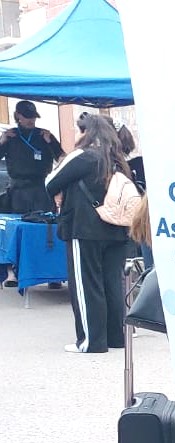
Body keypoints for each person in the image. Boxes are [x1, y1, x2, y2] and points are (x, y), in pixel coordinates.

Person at [45, 114, 134, 354]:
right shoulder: (118, 159)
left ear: (87, 132)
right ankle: (115, 337)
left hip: (85, 228)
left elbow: (50, 182)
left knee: (87, 285)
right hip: (117, 229)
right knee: (112, 283)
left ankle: (91, 341)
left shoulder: (83, 156)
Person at [0, 100, 63, 213]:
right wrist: (2, 142)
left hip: (39, 189)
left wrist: (51, 143)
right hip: (17, 190)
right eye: (27, 116)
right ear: (18, 115)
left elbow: (62, 158)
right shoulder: (10, 136)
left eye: (33, 117)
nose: (31, 120)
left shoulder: (43, 135)